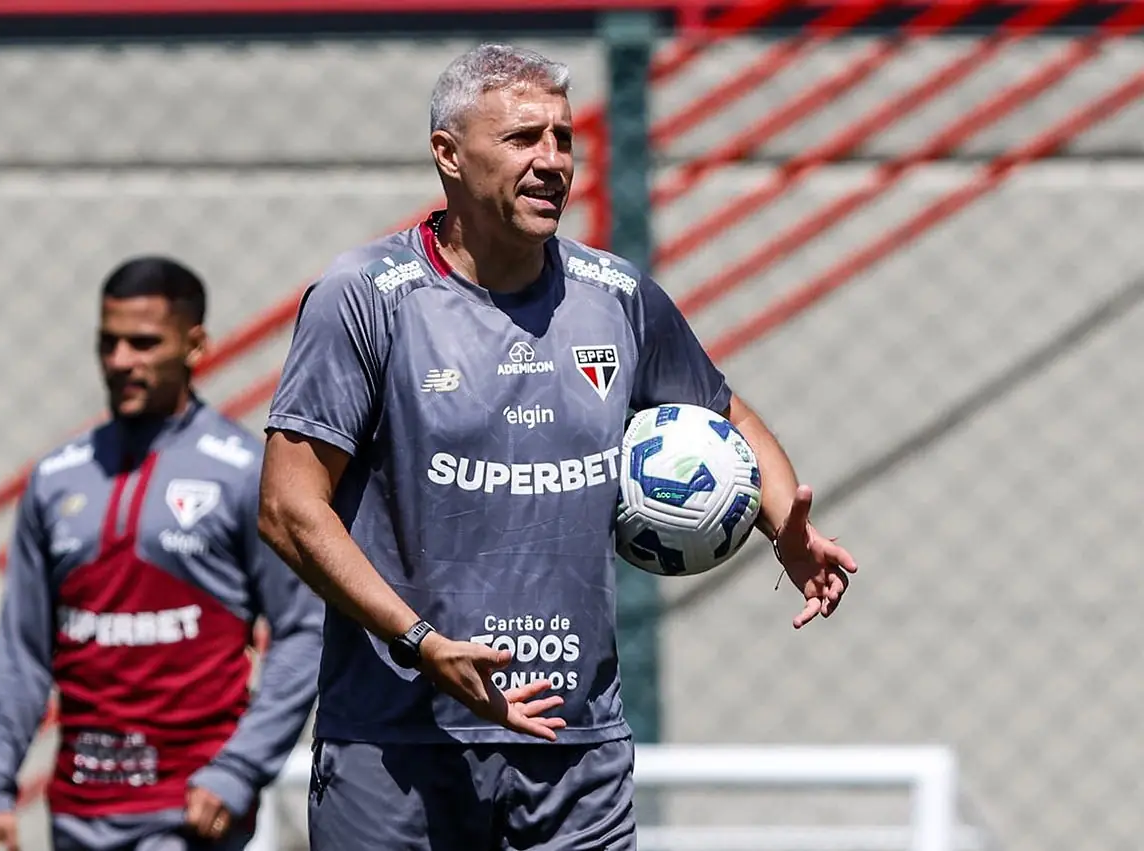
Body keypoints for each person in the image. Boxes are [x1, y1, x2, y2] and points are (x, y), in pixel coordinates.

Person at [257, 43, 858, 851]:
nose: (552, 162)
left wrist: (783, 525)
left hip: (576, 752)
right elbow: (288, 507)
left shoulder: (617, 295)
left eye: (564, 139)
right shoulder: (364, 298)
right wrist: (420, 643)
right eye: (522, 138)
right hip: (397, 745)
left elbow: (729, 417)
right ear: (448, 154)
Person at [0, 257, 324, 851]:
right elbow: (21, 653)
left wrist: (239, 770)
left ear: (195, 345)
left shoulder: (243, 474)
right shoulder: (55, 479)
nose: (120, 360)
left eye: (143, 343)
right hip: (78, 814)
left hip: (189, 816)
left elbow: (305, 631)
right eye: (108, 343)